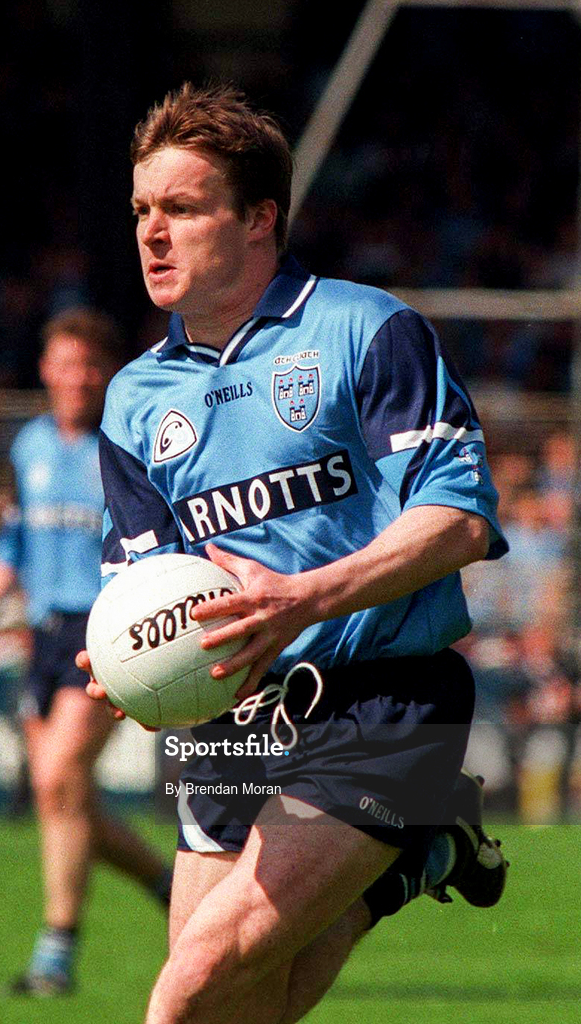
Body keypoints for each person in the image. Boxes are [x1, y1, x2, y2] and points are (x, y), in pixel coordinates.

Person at [79, 84, 509, 1024]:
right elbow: (143, 582)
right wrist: (127, 661)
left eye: (183, 209)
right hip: (233, 721)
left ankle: (413, 820)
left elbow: (458, 519)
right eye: (143, 211)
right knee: (249, 1006)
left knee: (187, 990)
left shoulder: (363, 329)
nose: (153, 233)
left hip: (382, 701)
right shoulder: (134, 399)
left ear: (259, 218)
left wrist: (302, 600)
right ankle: (415, 856)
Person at [0, 307, 172, 997]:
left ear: (105, 373)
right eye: (63, 364)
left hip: (104, 632)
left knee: (56, 782)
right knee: (64, 797)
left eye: (88, 366)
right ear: (46, 370)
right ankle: (167, 883)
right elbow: (13, 541)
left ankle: (56, 950)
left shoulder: (126, 443)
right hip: (43, 637)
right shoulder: (29, 447)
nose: (75, 378)